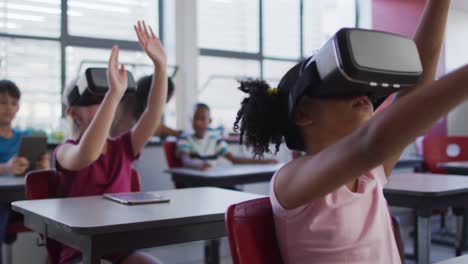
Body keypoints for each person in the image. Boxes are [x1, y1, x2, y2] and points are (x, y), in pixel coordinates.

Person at [233, 1, 452, 263]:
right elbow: (372, 144)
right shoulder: (291, 178)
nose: (363, 95)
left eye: (364, 88)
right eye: (344, 88)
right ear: (303, 114)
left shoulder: (369, 173)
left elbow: (416, 91)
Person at [55, 21, 166, 264]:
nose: (105, 103)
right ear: (74, 113)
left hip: (120, 249)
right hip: (81, 252)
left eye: (106, 98)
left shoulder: (123, 147)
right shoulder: (65, 151)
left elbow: (153, 115)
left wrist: (160, 65)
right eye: (96, 100)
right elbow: (88, 154)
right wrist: (113, 94)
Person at [0, 79, 49, 264]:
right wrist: (5, 168)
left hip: (24, 197)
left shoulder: (25, 136)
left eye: (13, 103)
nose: (9, 108)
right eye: (3, 102)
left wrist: (41, 167)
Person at [177, 103, 277, 170]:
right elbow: (185, 160)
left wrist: (264, 161)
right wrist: (199, 165)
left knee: (238, 195)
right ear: (191, 120)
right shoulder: (185, 139)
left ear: (209, 121)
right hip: (196, 182)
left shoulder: (215, 139)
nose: (198, 123)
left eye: (202, 119)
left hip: (214, 182)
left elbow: (234, 159)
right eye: (195, 118)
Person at [110, 76, 180, 138]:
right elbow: (154, 127)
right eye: (163, 102)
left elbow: (156, 127)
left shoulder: (138, 105)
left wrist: (179, 133)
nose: (161, 108)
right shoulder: (127, 105)